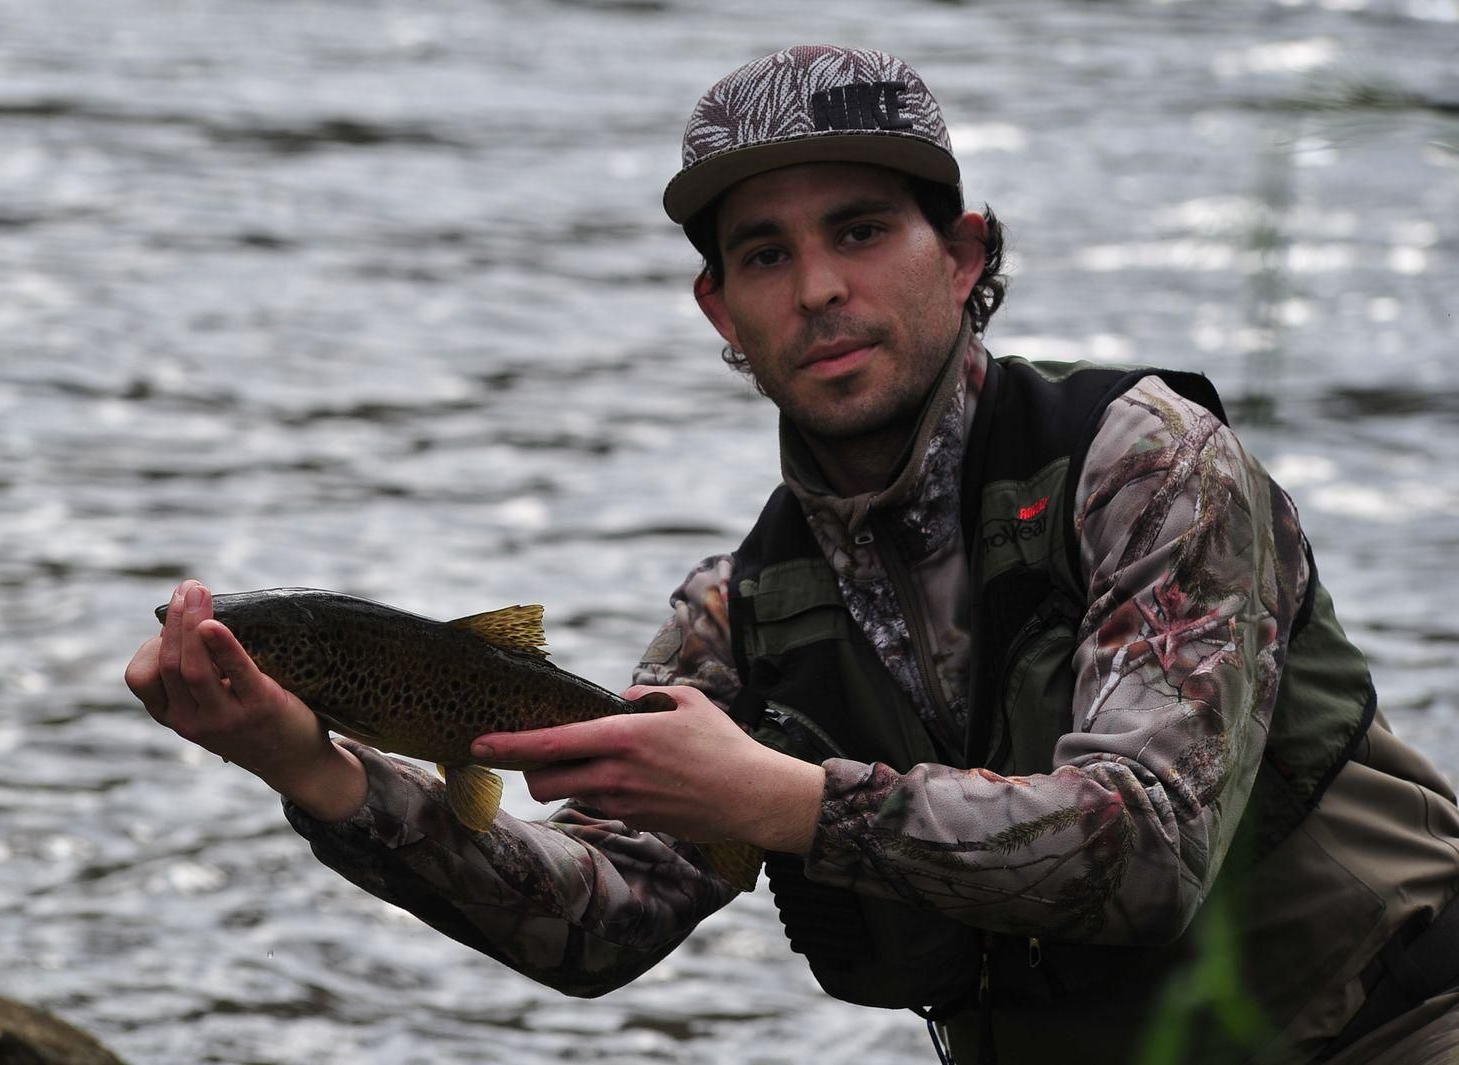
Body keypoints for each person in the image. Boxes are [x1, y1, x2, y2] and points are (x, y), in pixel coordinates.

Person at [125, 45, 1459, 1065]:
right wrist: (313, 767)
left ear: (967, 253)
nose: (818, 288)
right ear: (721, 308)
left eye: (863, 232)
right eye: (765, 253)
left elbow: (1150, 844)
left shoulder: (1147, 463)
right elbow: (597, 914)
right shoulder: (738, 612)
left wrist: (788, 800)